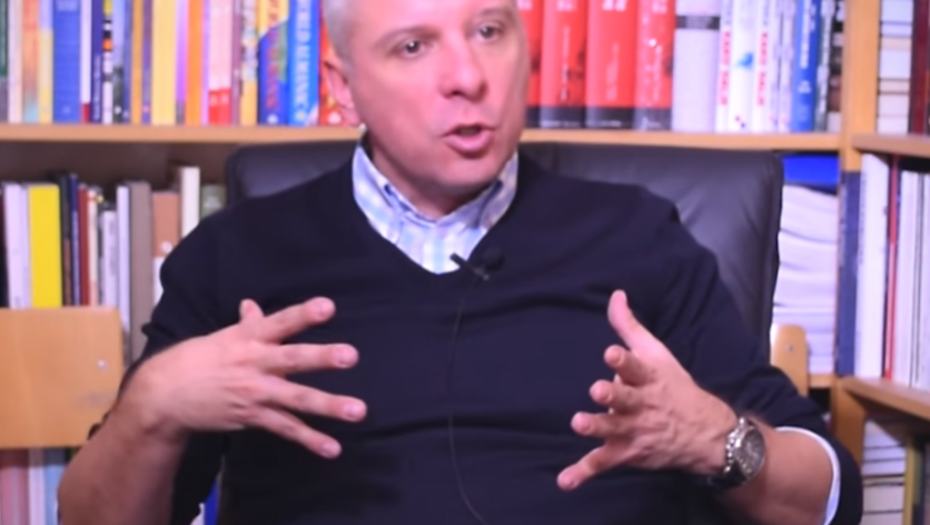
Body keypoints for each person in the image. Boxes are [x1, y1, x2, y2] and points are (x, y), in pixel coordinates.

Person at [57, 0, 863, 524]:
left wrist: (717, 438)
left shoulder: (641, 238)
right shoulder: (240, 256)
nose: (469, 78)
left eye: (489, 30)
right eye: (414, 46)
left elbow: (833, 496)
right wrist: (152, 406)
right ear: (343, 86)